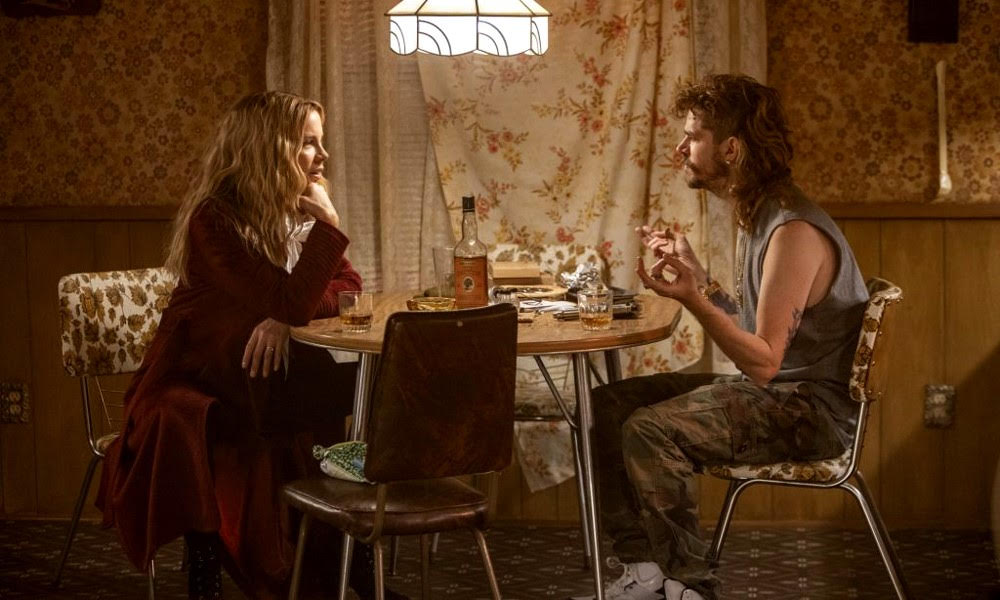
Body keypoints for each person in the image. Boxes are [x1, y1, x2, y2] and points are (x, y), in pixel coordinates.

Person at [96, 91, 407, 600]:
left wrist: (283, 319)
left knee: (350, 390)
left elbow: (349, 288)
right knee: (228, 418)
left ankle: (346, 562)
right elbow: (291, 297)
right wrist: (326, 231)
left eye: (321, 142)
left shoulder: (294, 210)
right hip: (202, 375)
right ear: (270, 148)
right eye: (309, 143)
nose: (323, 156)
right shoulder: (214, 220)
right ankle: (243, 563)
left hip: (257, 372)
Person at [577, 74, 869, 600]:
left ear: (731, 149)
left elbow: (764, 361)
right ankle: (646, 572)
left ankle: (690, 587)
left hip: (810, 410)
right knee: (608, 405)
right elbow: (758, 326)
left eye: (693, 137)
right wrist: (700, 277)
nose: (680, 148)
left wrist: (692, 298)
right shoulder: (759, 212)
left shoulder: (792, 230)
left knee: (650, 429)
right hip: (779, 393)